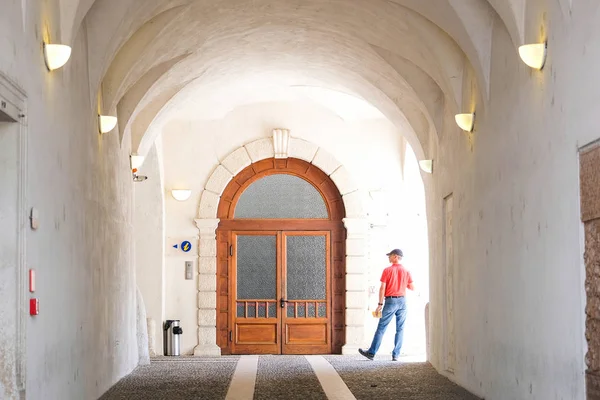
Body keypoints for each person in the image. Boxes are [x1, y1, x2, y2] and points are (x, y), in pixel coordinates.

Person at [359, 248, 414, 361]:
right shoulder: (407, 271)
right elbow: (412, 287)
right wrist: (402, 284)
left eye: (390, 256)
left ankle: (371, 353)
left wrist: (380, 303)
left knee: (381, 327)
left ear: (396, 257)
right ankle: (396, 355)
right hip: (403, 301)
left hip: (391, 301)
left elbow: (382, 287)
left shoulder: (387, 270)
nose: (388, 258)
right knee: (400, 329)